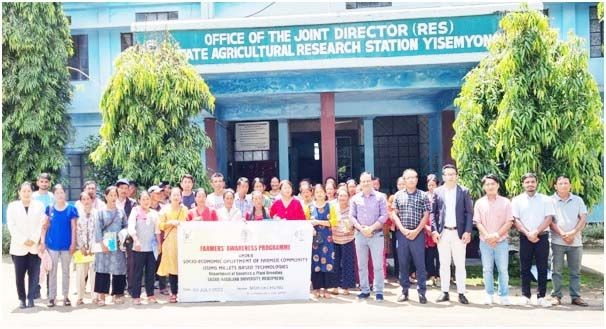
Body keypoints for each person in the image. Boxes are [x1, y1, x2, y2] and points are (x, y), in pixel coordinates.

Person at [431, 164, 473, 304]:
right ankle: (445, 292)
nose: (450, 176)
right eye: (447, 174)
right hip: (443, 233)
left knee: (460, 264)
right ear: (443, 177)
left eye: (452, 174)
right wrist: (434, 230)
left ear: (456, 175)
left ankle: (461, 292)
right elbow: (432, 213)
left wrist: (467, 231)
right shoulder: (437, 192)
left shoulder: (464, 191)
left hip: (459, 233)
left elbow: (469, 213)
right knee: (444, 264)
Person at [512, 172, 555, 308]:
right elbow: (515, 219)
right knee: (524, 267)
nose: (530, 184)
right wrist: (528, 233)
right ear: (523, 184)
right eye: (527, 182)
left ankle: (541, 296)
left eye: (532, 182)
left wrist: (536, 231)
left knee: (543, 267)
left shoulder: (546, 199)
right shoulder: (517, 200)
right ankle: (525, 295)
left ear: (536, 183)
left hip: (541, 237)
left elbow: (549, 218)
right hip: (525, 237)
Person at [473, 174, 514, 306]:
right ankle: (489, 294)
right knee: (487, 269)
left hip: (501, 241)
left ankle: (504, 295)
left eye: (492, 184)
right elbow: (478, 223)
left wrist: (496, 235)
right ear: (484, 187)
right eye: (487, 184)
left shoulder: (506, 202)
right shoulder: (479, 203)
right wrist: (487, 236)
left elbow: (509, 221)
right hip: (485, 242)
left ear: (497, 185)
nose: (490, 186)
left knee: (503, 269)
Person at [392, 169, 431, 304]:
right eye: (408, 178)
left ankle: (422, 292)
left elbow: (426, 215)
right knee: (403, 264)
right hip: (402, 235)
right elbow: (394, 214)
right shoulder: (398, 195)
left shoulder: (423, 195)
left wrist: (416, 230)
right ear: (404, 179)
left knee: (420, 264)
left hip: (418, 234)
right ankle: (404, 291)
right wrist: (402, 229)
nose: (412, 180)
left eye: (414, 177)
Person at [549, 175, 588, 307]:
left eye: (566, 183)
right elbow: (550, 221)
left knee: (575, 272)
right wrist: (563, 234)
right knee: (556, 271)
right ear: (555, 186)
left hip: (576, 242)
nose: (563, 185)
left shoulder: (578, 200)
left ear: (570, 185)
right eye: (560, 183)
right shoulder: (550, 201)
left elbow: (583, 219)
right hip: (557, 242)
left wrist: (572, 233)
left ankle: (576, 297)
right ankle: (556, 296)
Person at [349, 172, 388, 301]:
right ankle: (365, 290)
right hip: (360, 235)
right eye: (363, 181)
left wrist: (371, 228)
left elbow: (384, 216)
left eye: (367, 181)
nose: (365, 183)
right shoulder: (355, 198)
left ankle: (379, 291)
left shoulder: (381, 197)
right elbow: (352, 217)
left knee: (378, 265)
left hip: (376, 235)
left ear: (372, 182)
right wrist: (362, 229)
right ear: (360, 183)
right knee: (362, 265)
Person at [7, 182, 45, 309]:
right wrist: (24, 240)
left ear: (32, 192)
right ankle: (22, 299)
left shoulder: (39, 206)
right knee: (19, 275)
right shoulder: (12, 206)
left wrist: (34, 239)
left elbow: (41, 224)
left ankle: (31, 298)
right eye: (23, 191)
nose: (26, 193)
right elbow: (11, 226)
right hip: (19, 247)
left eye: (28, 191)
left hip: (34, 247)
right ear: (19, 192)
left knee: (34, 275)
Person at [40, 184, 77, 307]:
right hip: (52, 246)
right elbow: (44, 227)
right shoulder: (49, 209)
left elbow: (74, 227)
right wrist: (43, 242)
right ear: (54, 195)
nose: (60, 195)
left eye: (62, 192)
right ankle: (52, 298)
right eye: (57, 193)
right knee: (52, 272)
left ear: (65, 194)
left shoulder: (71, 209)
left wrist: (73, 243)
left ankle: (66, 296)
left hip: (67, 246)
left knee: (66, 271)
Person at [94, 186, 128, 306]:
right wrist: (102, 244)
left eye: (115, 195)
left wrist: (123, 234)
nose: (113, 198)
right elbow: (97, 229)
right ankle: (102, 295)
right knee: (102, 269)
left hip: (117, 244)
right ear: (106, 196)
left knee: (119, 268)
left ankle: (118, 294)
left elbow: (125, 225)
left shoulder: (121, 211)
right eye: (111, 195)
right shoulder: (100, 212)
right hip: (105, 244)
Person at [128, 191, 162, 305]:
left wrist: (159, 244)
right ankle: (136, 295)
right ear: (139, 200)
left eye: (147, 199)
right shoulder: (135, 211)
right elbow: (131, 227)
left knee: (151, 272)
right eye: (143, 199)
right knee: (137, 272)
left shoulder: (154, 213)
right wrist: (136, 240)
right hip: (139, 248)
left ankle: (150, 294)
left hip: (151, 248)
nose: (146, 201)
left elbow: (157, 230)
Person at [305, 184, 338, 299]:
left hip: (327, 240)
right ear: (314, 194)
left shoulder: (331, 206)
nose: (319, 194)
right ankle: (316, 288)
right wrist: (312, 226)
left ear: (325, 193)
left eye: (321, 192)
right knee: (315, 264)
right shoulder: (309, 207)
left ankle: (326, 288)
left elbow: (333, 222)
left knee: (327, 262)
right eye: (317, 192)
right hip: (314, 240)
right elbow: (305, 222)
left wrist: (318, 221)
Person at [157, 187, 189, 303]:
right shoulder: (164, 210)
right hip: (170, 241)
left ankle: (184, 291)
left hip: (183, 241)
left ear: (181, 196)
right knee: (172, 267)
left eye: (178, 195)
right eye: (174, 195)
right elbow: (159, 225)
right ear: (170, 196)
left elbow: (189, 224)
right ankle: (174, 292)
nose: (176, 197)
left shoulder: (185, 209)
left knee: (182, 266)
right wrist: (170, 223)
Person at [330, 187, 356, 296]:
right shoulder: (333, 208)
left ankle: (346, 287)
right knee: (335, 263)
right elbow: (329, 221)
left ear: (348, 197)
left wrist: (351, 228)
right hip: (335, 239)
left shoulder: (352, 209)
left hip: (348, 239)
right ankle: (335, 286)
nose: (342, 198)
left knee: (347, 264)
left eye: (345, 196)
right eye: (340, 196)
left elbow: (356, 221)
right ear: (337, 197)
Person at [74, 192, 98, 306]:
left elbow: (98, 231)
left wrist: (92, 246)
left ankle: (95, 297)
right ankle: (80, 297)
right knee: (80, 274)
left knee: (94, 273)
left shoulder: (97, 214)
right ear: (81, 201)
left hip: (94, 249)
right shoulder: (78, 214)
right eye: (83, 199)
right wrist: (82, 246)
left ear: (92, 200)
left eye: (88, 198)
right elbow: (76, 231)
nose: (86, 201)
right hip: (81, 249)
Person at [116, 178, 137, 296]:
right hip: (113, 236)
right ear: (117, 189)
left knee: (131, 262)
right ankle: (118, 287)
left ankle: (131, 287)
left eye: (126, 188)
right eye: (121, 188)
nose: (124, 190)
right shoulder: (111, 201)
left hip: (129, 236)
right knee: (116, 261)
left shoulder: (133, 203)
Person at [424, 175, 440, 287]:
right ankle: (431, 275)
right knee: (429, 255)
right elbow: (421, 213)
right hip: (427, 229)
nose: (431, 187)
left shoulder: (441, 195)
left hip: (439, 229)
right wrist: (425, 227)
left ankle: (439, 276)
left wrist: (436, 229)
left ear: (437, 185)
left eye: (433, 185)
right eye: (429, 185)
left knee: (440, 254)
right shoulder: (424, 196)